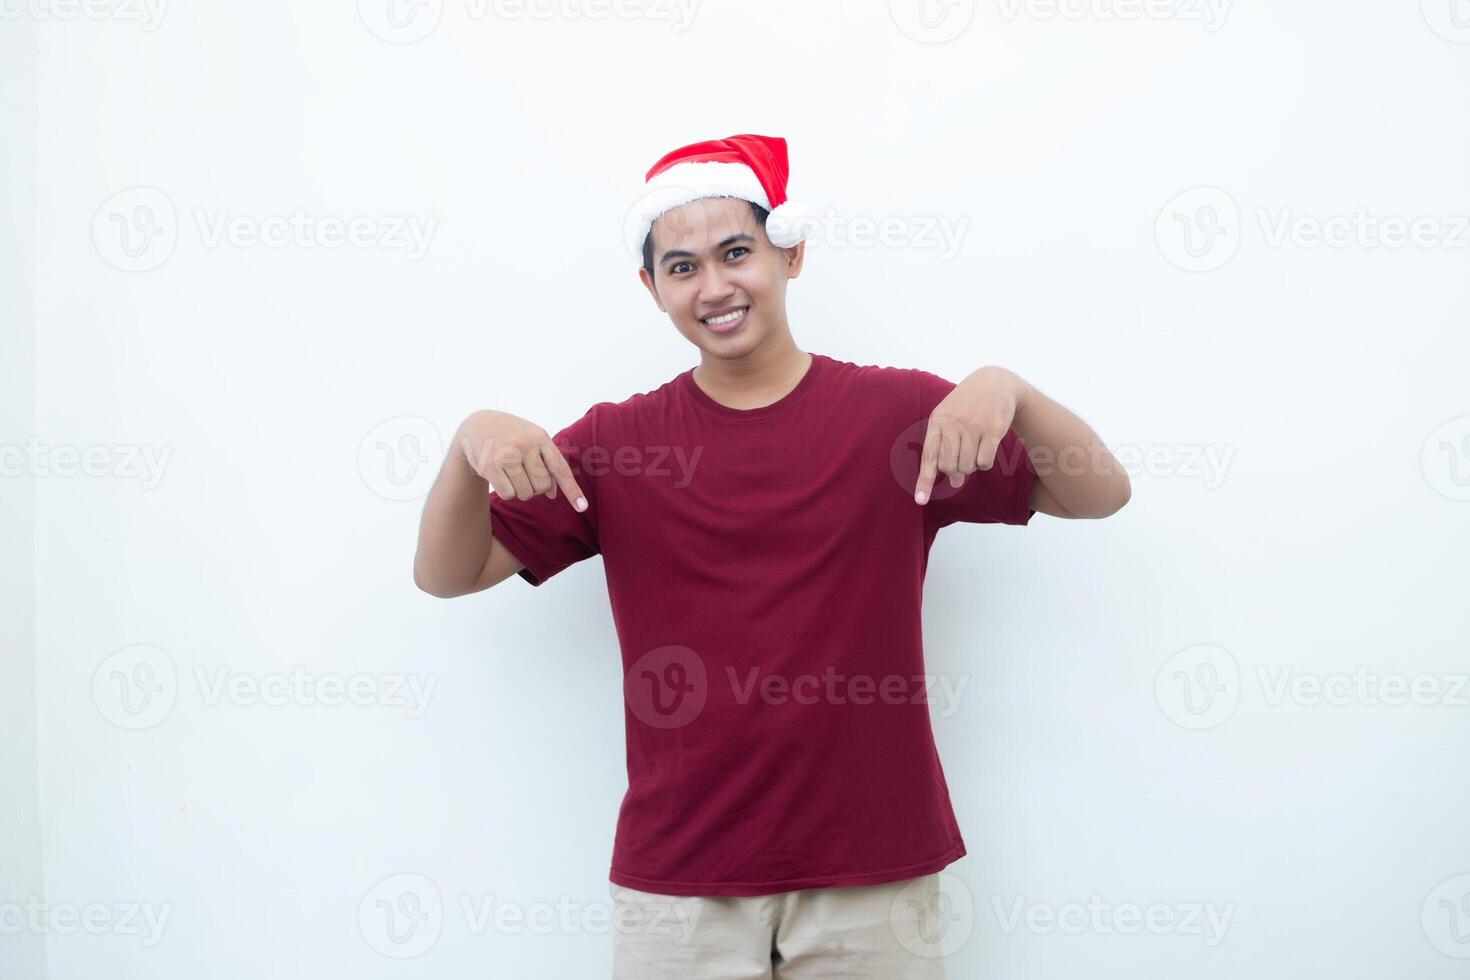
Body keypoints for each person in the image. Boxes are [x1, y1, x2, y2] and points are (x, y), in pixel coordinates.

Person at [413, 133, 1131, 978]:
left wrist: (1007, 388)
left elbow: (1101, 492)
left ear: (790, 253)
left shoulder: (896, 417)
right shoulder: (616, 444)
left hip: (872, 874)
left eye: (736, 253)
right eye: (682, 267)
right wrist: (466, 445)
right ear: (652, 289)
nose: (714, 286)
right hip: (680, 888)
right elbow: (447, 574)